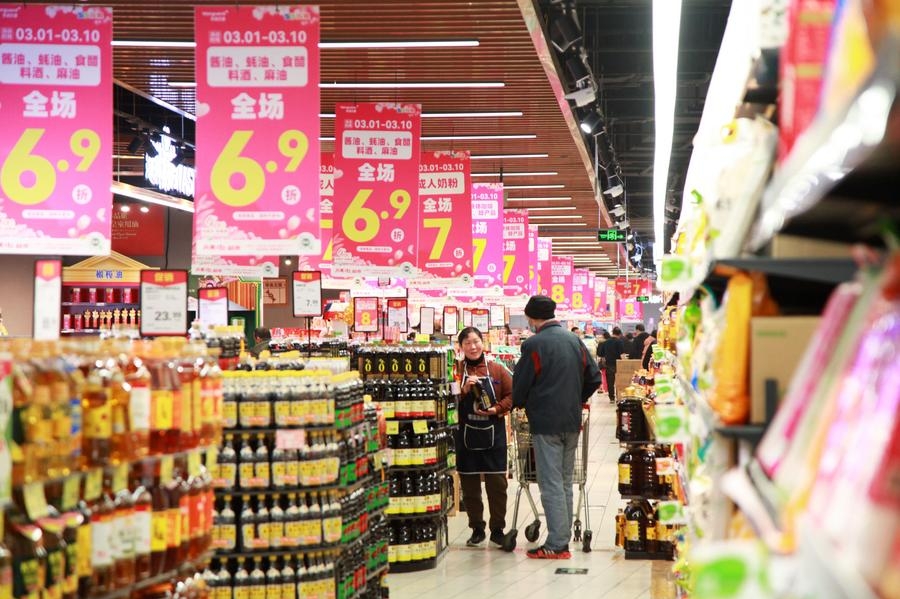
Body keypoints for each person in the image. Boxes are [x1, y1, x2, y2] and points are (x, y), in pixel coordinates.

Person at [512, 295, 601, 559]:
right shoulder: (575, 341)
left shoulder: (534, 344)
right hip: (571, 422)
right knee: (564, 481)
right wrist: (577, 399)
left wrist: (521, 402)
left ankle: (556, 543)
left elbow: (521, 384)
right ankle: (561, 538)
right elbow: (594, 378)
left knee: (550, 482)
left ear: (531, 317)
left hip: (546, 423)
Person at [454, 327, 513, 548]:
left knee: (497, 484)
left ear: (483, 343)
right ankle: (477, 529)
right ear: (461, 347)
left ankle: (497, 529)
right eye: (467, 343)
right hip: (465, 435)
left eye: (476, 341)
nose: (473, 346)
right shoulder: (455, 371)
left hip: (493, 434)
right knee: (469, 486)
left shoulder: (497, 369)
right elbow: (446, 398)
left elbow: (512, 395)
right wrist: (463, 391)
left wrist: (497, 409)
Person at [600, 327, 626, 403]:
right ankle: (619, 396)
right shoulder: (619, 342)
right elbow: (622, 354)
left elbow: (602, 354)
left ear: (612, 333)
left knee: (610, 382)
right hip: (618, 364)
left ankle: (611, 398)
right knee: (619, 382)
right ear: (619, 334)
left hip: (609, 364)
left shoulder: (606, 342)